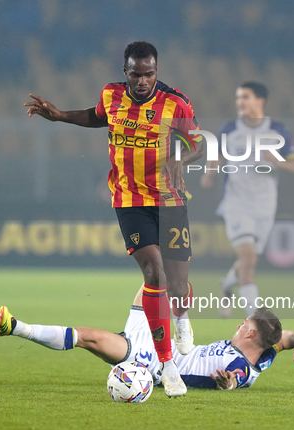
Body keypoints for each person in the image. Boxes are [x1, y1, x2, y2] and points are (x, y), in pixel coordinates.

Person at [24, 41, 203, 397]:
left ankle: (181, 317)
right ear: (125, 72)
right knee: (155, 274)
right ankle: (167, 367)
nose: (142, 81)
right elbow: (97, 115)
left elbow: (197, 141)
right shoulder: (112, 95)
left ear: (157, 71)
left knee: (179, 287)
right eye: (135, 74)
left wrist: (181, 159)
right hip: (130, 199)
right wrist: (60, 117)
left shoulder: (175, 102)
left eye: (148, 74)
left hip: (170, 199)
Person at [0, 286, 294, 390]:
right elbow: (283, 337)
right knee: (153, 279)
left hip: (156, 363)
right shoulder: (265, 352)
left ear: (251, 333)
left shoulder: (241, 368)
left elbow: (234, 379)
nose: (240, 325)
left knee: (87, 337)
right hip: (164, 341)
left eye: (244, 323)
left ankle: (16, 327)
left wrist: (227, 383)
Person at [201, 82, 294, 318]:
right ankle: (254, 318)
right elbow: (216, 155)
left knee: (248, 260)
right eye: (238, 97)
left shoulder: (278, 131)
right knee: (248, 260)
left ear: (260, 101)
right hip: (236, 202)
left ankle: (226, 284)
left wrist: (276, 160)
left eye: (245, 97)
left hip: (265, 205)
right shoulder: (230, 129)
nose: (240, 102)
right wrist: (209, 173)